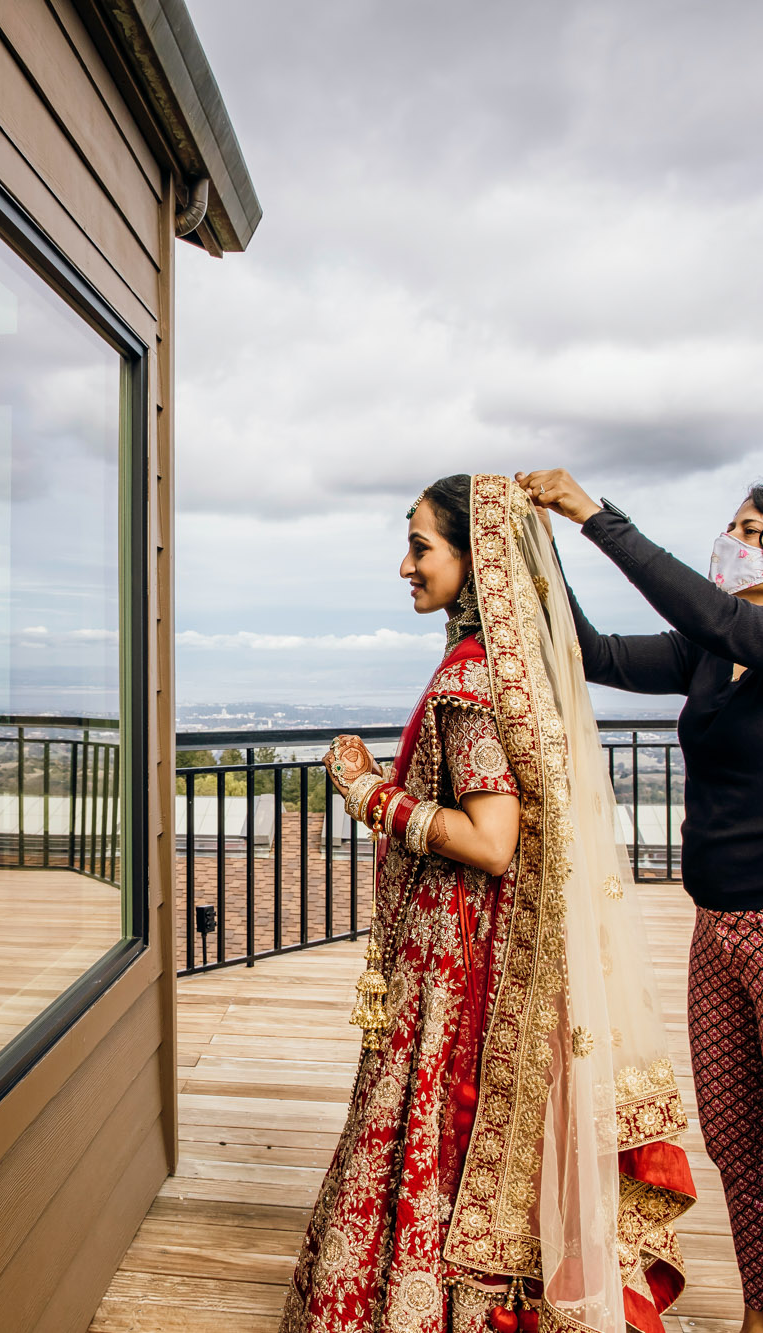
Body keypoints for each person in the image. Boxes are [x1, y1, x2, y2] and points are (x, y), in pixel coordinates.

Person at [284, 473, 695, 1333]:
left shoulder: (471, 682)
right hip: (474, 952)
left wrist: (367, 793)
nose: (405, 564)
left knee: (436, 1125)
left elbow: (491, 839)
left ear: (477, 563)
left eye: (421, 545)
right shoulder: (494, 672)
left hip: (456, 962)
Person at [515, 469, 763, 1333]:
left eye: (748, 527)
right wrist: (534, 545)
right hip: (720, 929)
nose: (729, 538)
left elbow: (718, 613)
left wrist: (596, 518)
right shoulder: (713, 652)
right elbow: (596, 651)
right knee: (735, 1142)